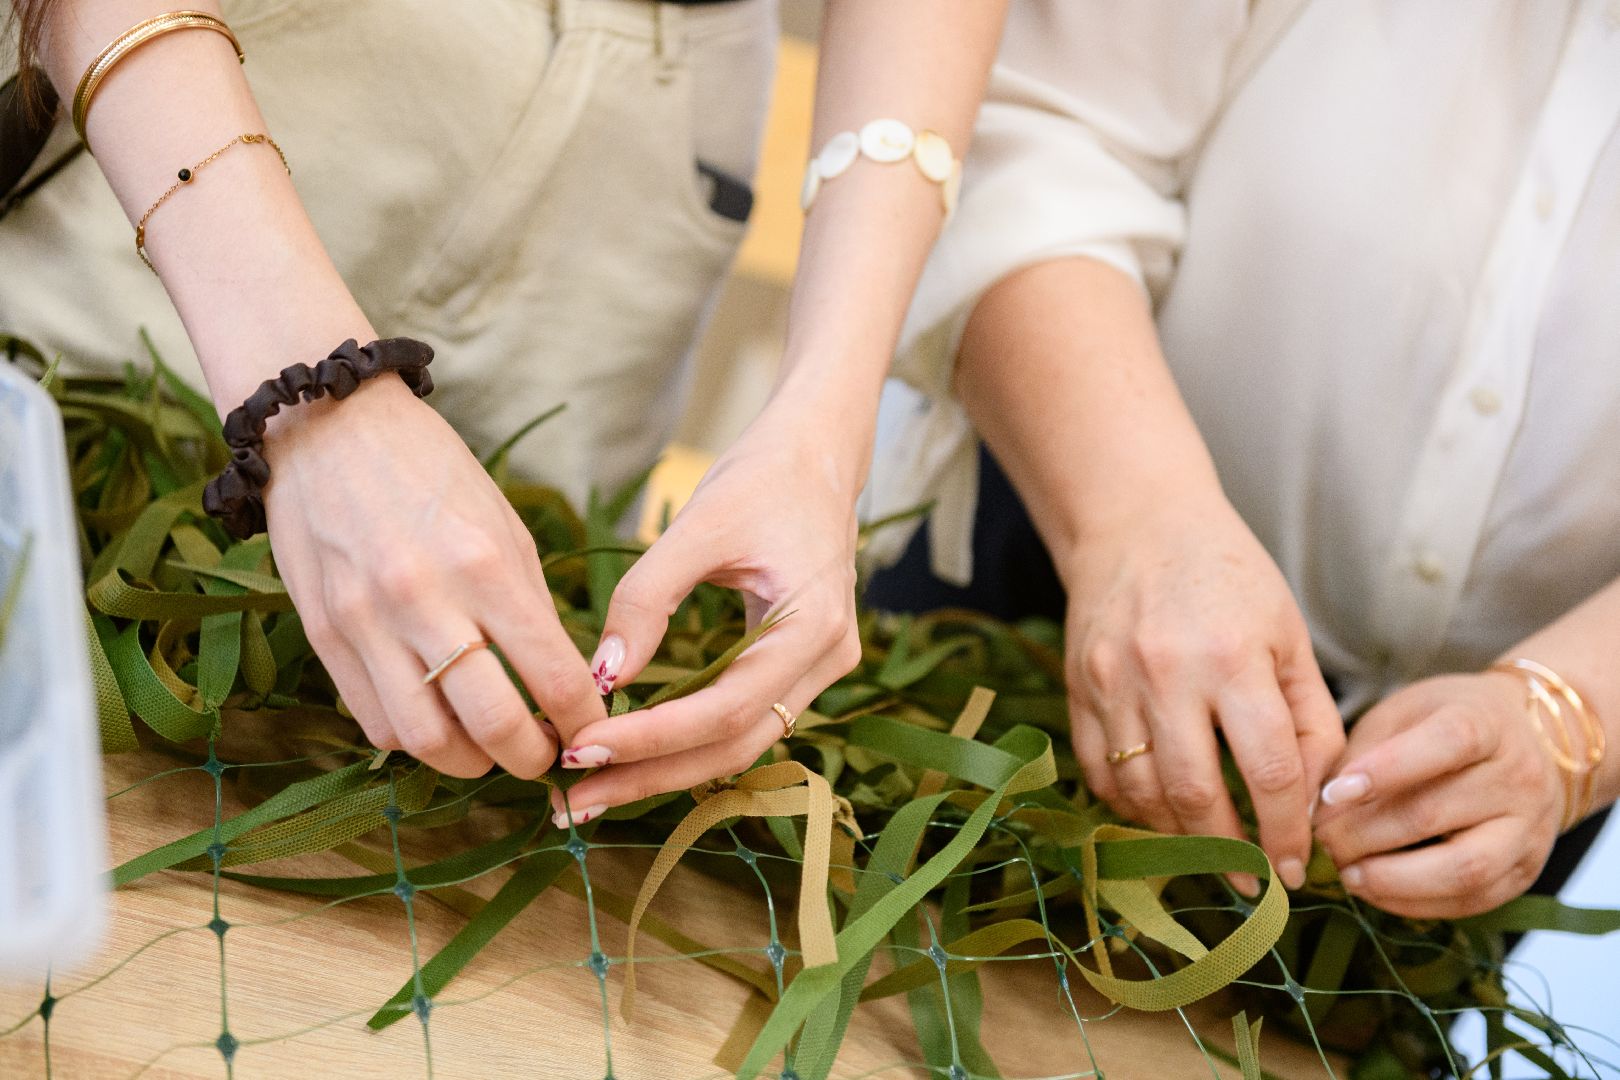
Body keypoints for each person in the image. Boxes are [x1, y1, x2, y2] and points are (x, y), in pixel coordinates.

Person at [3, 0, 1010, 822]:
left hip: (652, 146)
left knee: (451, 738)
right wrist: (313, 387)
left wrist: (824, 434)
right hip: (208, 96)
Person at [863, 0, 1620, 918]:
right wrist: (1138, 522)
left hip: (1480, 810)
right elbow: (1032, 128)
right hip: (1046, 589)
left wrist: (1572, 717)